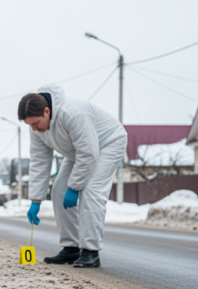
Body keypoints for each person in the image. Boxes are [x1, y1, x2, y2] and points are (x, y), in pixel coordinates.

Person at [19, 85, 127, 268]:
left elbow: (89, 153)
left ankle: (90, 252)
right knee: (59, 191)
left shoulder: (73, 114)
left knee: (91, 192)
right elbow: (39, 162)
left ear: (47, 111)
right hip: (79, 151)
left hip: (107, 144)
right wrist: (36, 199)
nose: (34, 129)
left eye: (36, 123)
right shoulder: (36, 128)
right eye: (29, 125)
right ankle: (71, 248)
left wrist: (75, 187)